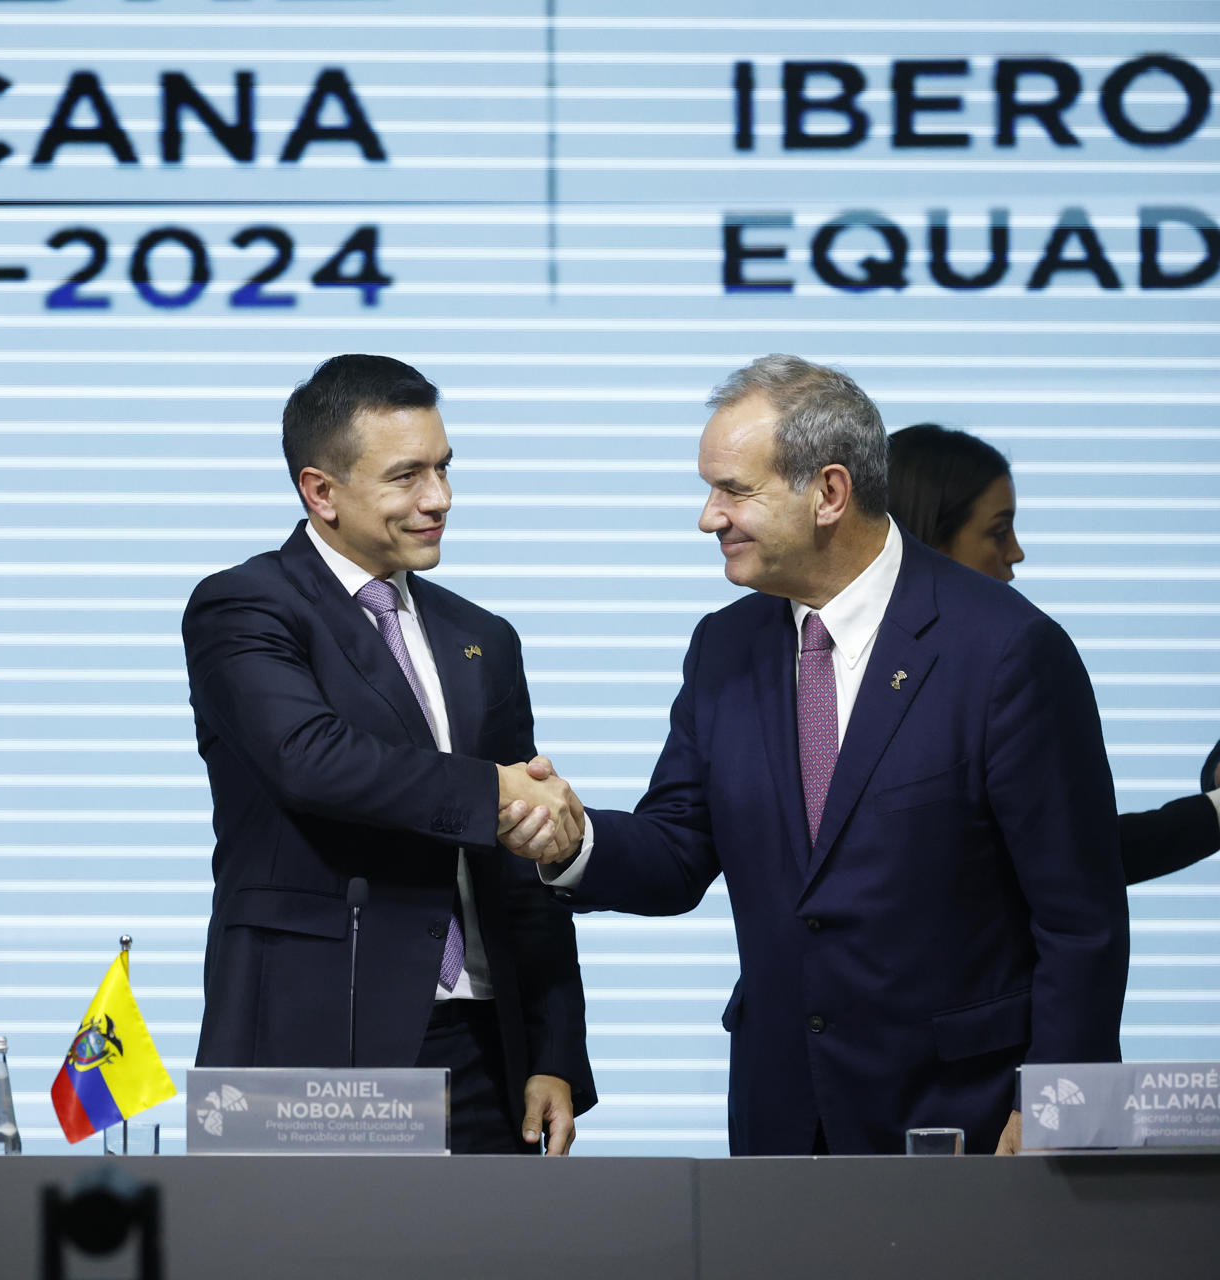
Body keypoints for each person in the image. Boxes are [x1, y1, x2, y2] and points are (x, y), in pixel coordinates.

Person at [511, 355, 1128, 1156]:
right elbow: (680, 845)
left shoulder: (1005, 650)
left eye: (734, 490)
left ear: (829, 492)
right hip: (783, 1117)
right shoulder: (724, 646)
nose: (709, 517)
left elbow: (1080, 918)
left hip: (969, 1118)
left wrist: (1057, 1105)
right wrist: (574, 840)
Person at [182, 355, 595, 1154]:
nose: (438, 498)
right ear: (320, 491)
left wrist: (554, 1052)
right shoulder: (243, 605)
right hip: (314, 1037)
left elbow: (520, 865)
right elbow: (311, 759)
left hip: (486, 1048)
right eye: (407, 476)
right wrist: (496, 793)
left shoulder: (483, 637)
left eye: (443, 469)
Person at [887, 422, 1220, 885]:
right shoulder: (1014, 666)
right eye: (999, 532)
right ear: (930, 539)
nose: (1017, 553)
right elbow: (1077, 857)